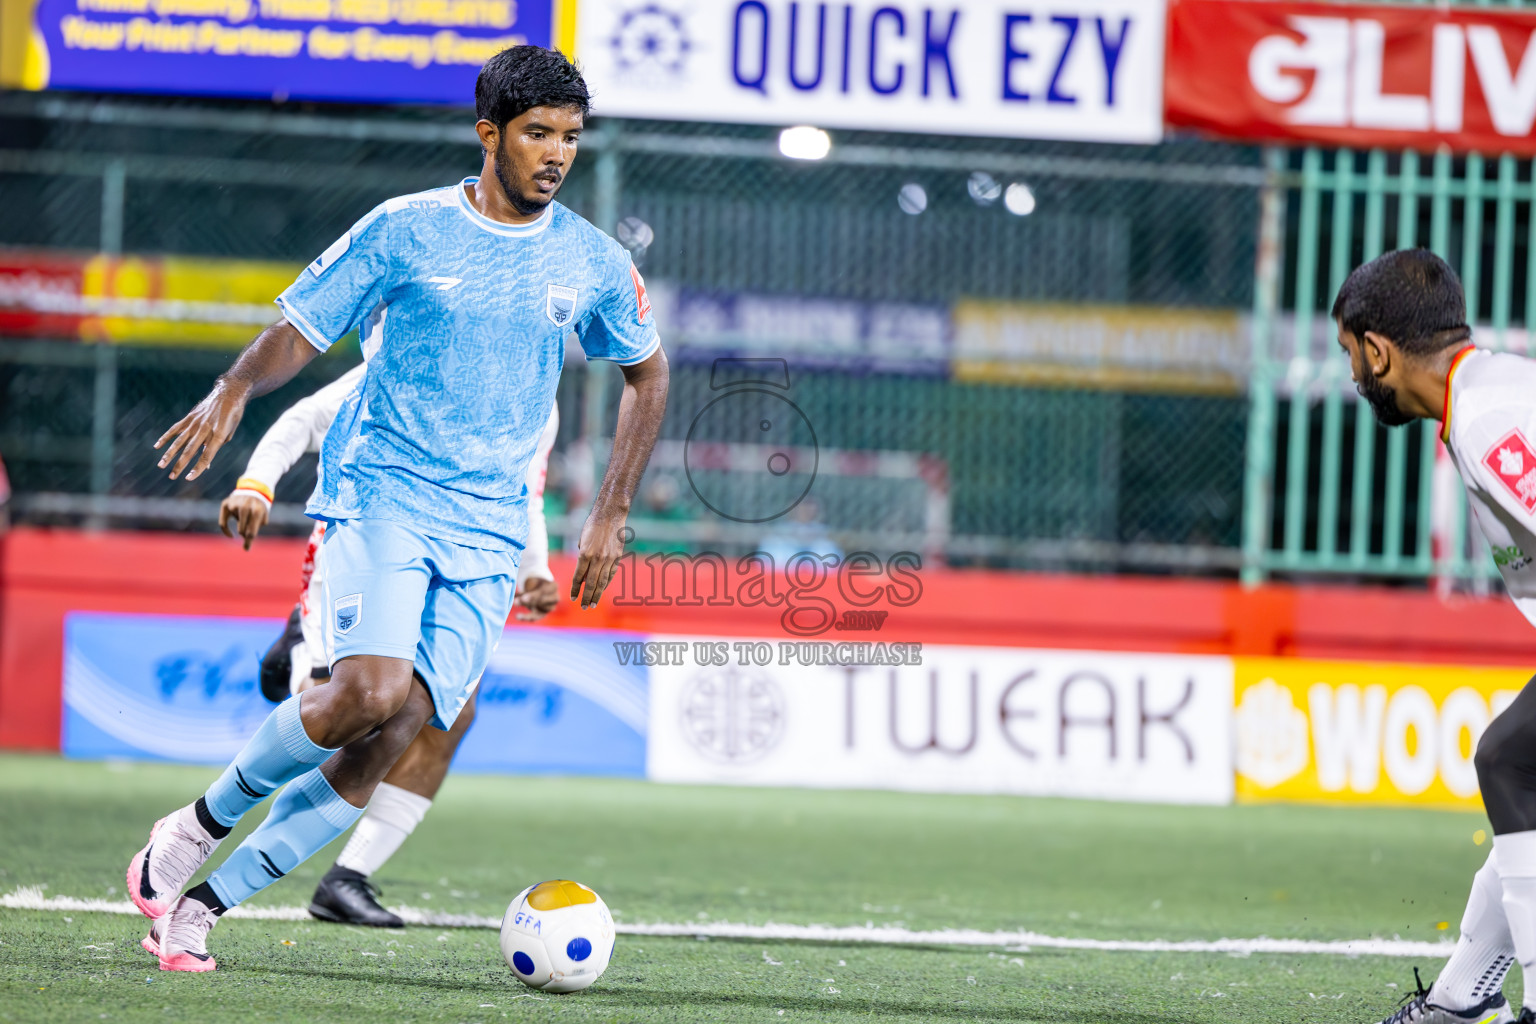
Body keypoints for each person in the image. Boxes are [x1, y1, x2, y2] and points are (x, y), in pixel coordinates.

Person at [125, 44, 669, 972]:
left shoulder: (593, 261)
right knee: (367, 692)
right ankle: (192, 828)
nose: (556, 154)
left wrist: (612, 509)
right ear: (488, 134)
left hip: (490, 528)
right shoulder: (406, 230)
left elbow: (647, 377)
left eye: (571, 138)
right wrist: (230, 392)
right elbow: (303, 326)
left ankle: (202, 908)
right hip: (384, 494)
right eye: (537, 133)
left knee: (400, 729)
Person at [219, 366, 562, 926]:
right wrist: (256, 483)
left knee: (452, 713)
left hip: (460, 565)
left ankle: (347, 877)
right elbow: (306, 419)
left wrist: (535, 568)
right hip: (370, 548)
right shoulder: (417, 351)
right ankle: (298, 663)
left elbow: (525, 491)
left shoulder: (538, 398)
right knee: (358, 711)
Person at [1336, 250, 1531, 1024]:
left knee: (1512, 762)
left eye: (1351, 356)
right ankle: (1456, 1004)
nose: (1355, 379)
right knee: (1524, 774)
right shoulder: (1490, 393)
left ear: (1378, 349)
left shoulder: (1488, 423)